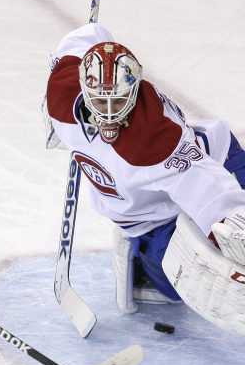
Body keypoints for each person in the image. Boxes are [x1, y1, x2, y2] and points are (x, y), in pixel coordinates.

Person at [43, 23, 245, 337]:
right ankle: (141, 260)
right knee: (182, 289)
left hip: (210, 160)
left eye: (119, 101)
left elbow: (210, 191)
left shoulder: (151, 139)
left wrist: (233, 226)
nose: (109, 114)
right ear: (82, 87)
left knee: (227, 242)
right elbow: (87, 37)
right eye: (99, 101)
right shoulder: (62, 88)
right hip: (150, 216)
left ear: (135, 90)